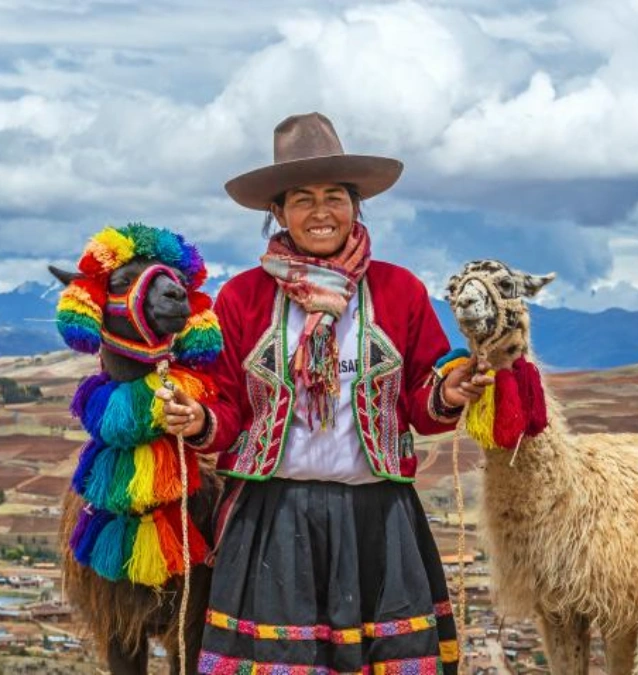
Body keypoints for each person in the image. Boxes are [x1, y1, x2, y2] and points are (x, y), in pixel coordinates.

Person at [157, 112, 489, 674]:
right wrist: (199, 419)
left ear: (356, 206)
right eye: (302, 199)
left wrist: (449, 391)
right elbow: (228, 406)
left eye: (334, 196)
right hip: (273, 521)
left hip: (378, 522)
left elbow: (420, 403)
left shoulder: (399, 290)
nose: (320, 212)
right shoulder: (242, 298)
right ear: (277, 212)